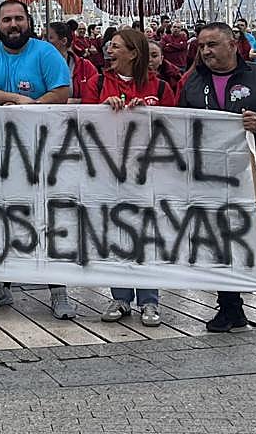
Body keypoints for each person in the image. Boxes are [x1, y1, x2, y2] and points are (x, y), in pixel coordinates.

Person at [179, 22, 256, 342]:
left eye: (212, 44)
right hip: (210, 179)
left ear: (233, 45)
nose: (206, 51)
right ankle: (230, 308)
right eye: (201, 46)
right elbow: (181, 126)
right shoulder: (193, 83)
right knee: (220, 244)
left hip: (254, 176)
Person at [0, 0, 74, 318]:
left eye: (18, 18)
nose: (13, 25)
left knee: (48, 220)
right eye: (6, 20)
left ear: (29, 21)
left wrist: (30, 110)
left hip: (41, 153)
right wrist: (16, 99)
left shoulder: (46, 52)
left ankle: (59, 290)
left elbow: (61, 92)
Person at [86, 28, 176, 326]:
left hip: (149, 174)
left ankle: (149, 300)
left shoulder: (160, 87)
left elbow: (175, 128)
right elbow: (83, 125)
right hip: (108, 172)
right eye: (109, 46)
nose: (109, 51)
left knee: (147, 234)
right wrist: (102, 110)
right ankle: (120, 296)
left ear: (133, 53)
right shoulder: (98, 83)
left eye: (116, 46)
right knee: (117, 234)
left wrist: (149, 114)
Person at [45, 21, 98, 103]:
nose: (44, 42)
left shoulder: (86, 67)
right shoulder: (37, 66)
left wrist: (76, 101)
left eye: (49, 38)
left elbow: (95, 97)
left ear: (64, 41)